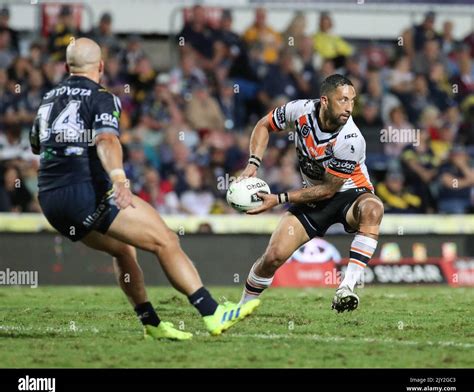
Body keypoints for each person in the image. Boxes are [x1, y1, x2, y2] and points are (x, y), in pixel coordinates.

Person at [29, 38, 259, 341]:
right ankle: (212, 312)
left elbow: (36, 144)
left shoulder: (48, 99)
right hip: (85, 192)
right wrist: (119, 178)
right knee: (164, 240)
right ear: (100, 66)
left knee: (124, 249)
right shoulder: (101, 96)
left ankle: (150, 321)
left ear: (66, 67)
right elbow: (107, 141)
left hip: (50, 200)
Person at [237, 74, 384, 313]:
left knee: (373, 208)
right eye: (343, 100)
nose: (349, 108)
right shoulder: (299, 110)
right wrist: (253, 163)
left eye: (352, 101)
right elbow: (264, 125)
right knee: (273, 256)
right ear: (324, 101)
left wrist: (279, 199)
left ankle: (346, 288)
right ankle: (241, 307)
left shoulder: (351, 139)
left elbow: (329, 190)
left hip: (349, 193)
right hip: (312, 195)